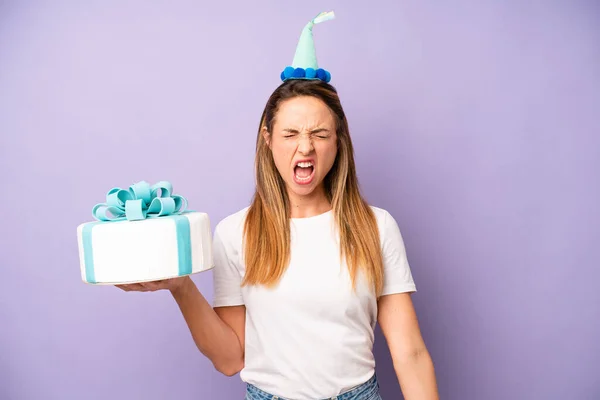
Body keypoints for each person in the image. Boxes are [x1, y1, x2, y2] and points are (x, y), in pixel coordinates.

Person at [117, 11, 439, 400]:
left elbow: (411, 352)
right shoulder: (236, 233)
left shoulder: (376, 226)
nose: (305, 147)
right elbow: (230, 359)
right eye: (291, 134)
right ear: (268, 139)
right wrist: (181, 287)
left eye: (320, 134)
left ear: (338, 142)